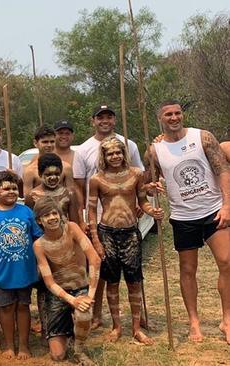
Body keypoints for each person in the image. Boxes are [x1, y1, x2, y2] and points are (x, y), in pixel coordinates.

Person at [147, 100, 230, 344]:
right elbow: (147, 183)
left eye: (177, 113)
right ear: (160, 119)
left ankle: (227, 318)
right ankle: (194, 322)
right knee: (187, 270)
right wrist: (152, 187)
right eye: (168, 114)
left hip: (213, 211)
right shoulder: (154, 150)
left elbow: (223, 170)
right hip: (183, 217)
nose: (174, 118)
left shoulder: (202, 137)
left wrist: (227, 205)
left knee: (226, 262)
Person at [72, 105, 144, 329]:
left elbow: (141, 178)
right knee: (104, 274)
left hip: (128, 222)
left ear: (114, 119)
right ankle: (99, 317)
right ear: (93, 120)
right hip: (102, 224)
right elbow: (78, 187)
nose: (105, 121)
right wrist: (84, 220)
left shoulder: (129, 143)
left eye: (109, 117)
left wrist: (146, 204)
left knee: (134, 275)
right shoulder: (84, 150)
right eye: (100, 117)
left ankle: (137, 319)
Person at [89, 137, 163, 345]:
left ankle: (136, 328)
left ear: (124, 153)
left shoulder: (136, 174)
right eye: (110, 153)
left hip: (130, 232)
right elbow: (92, 211)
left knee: (134, 281)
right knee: (112, 282)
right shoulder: (97, 179)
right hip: (107, 233)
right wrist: (95, 239)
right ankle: (116, 326)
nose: (115, 156)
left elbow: (143, 202)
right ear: (104, 156)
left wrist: (153, 211)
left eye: (118, 152)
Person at [0, 171, 43, 360]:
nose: (11, 192)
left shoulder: (26, 211)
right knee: (5, 308)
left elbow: (38, 239)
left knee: (23, 306)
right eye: (6, 189)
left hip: (25, 271)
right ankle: (10, 345)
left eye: (14, 188)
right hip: (1, 272)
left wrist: (40, 263)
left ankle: (24, 345)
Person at [32, 197, 100, 365]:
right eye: (46, 215)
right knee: (58, 355)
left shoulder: (72, 229)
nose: (52, 218)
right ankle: (68, 329)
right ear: (39, 220)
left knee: (84, 312)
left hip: (81, 287)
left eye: (54, 213)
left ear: (60, 214)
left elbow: (94, 259)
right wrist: (72, 300)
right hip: (59, 295)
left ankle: (79, 349)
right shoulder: (39, 245)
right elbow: (49, 283)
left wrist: (89, 296)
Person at [25, 153, 82, 228]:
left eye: (57, 174)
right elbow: (31, 224)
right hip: (42, 236)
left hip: (64, 235)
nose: (53, 177)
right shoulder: (32, 196)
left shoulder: (69, 194)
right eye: (48, 174)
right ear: (40, 174)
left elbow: (75, 224)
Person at [22, 126, 75, 198]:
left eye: (52, 141)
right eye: (45, 142)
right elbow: (28, 199)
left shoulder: (66, 168)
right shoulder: (30, 171)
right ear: (35, 143)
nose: (49, 145)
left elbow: (71, 195)